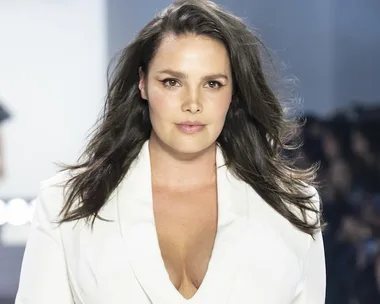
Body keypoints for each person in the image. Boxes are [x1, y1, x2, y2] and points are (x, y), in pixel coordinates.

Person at [16, 0, 326, 303]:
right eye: (172, 82)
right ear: (143, 84)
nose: (192, 103)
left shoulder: (292, 207)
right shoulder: (66, 204)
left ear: (234, 92)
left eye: (213, 84)